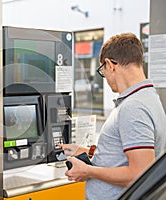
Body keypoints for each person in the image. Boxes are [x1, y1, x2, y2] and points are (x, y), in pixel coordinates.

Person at [58, 33, 166, 200]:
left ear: (110, 65)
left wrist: (88, 170)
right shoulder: (148, 97)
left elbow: (140, 173)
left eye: (103, 70)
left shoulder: (134, 107)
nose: (106, 78)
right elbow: (125, 156)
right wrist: (87, 152)